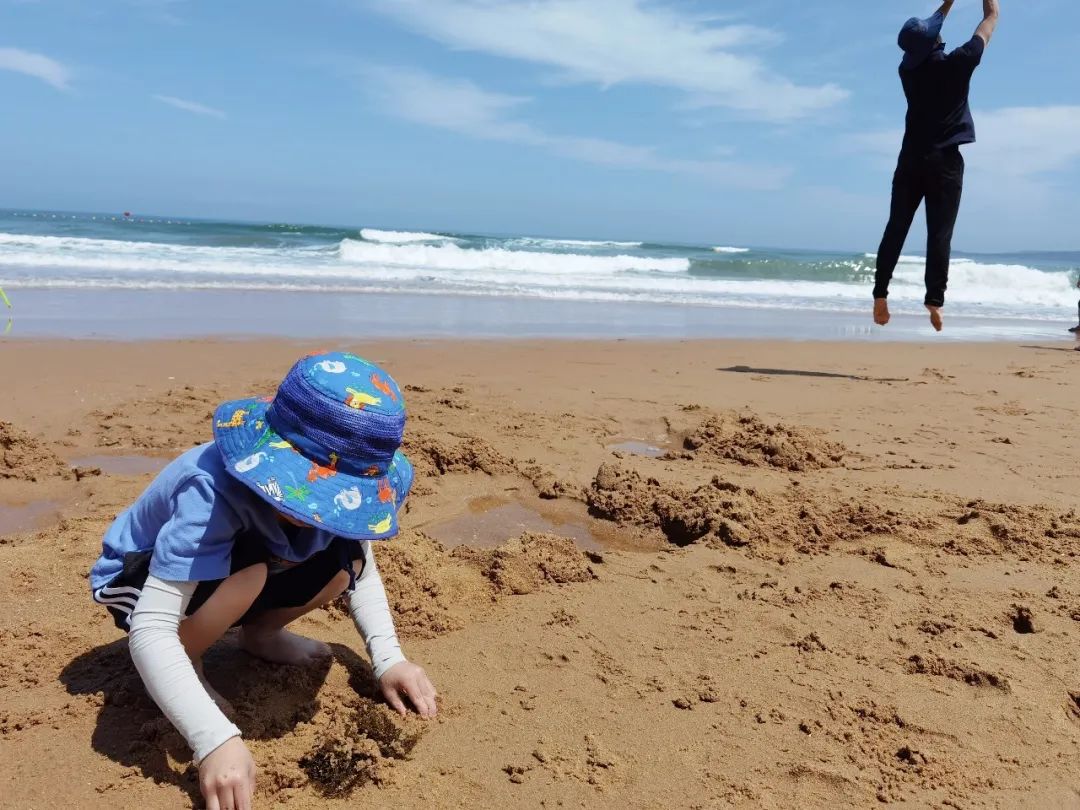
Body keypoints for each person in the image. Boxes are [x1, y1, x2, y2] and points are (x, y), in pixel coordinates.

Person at [88, 351, 436, 810]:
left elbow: (362, 571)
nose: (316, 511)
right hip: (144, 581)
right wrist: (212, 740)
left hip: (241, 571)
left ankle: (259, 633)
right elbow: (150, 627)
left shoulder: (336, 504)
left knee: (341, 562)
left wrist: (390, 659)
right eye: (309, 495)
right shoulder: (210, 490)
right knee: (247, 575)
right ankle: (188, 659)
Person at [872, 0, 1000, 332]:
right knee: (939, 234)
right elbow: (990, 17)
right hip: (945, 163)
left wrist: (948, 3)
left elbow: (929, 30)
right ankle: (934, 300)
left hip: (910, 159)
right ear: (936, 41)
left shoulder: (907, 70)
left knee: (896, 227)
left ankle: (880, 294)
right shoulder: (960, 62)